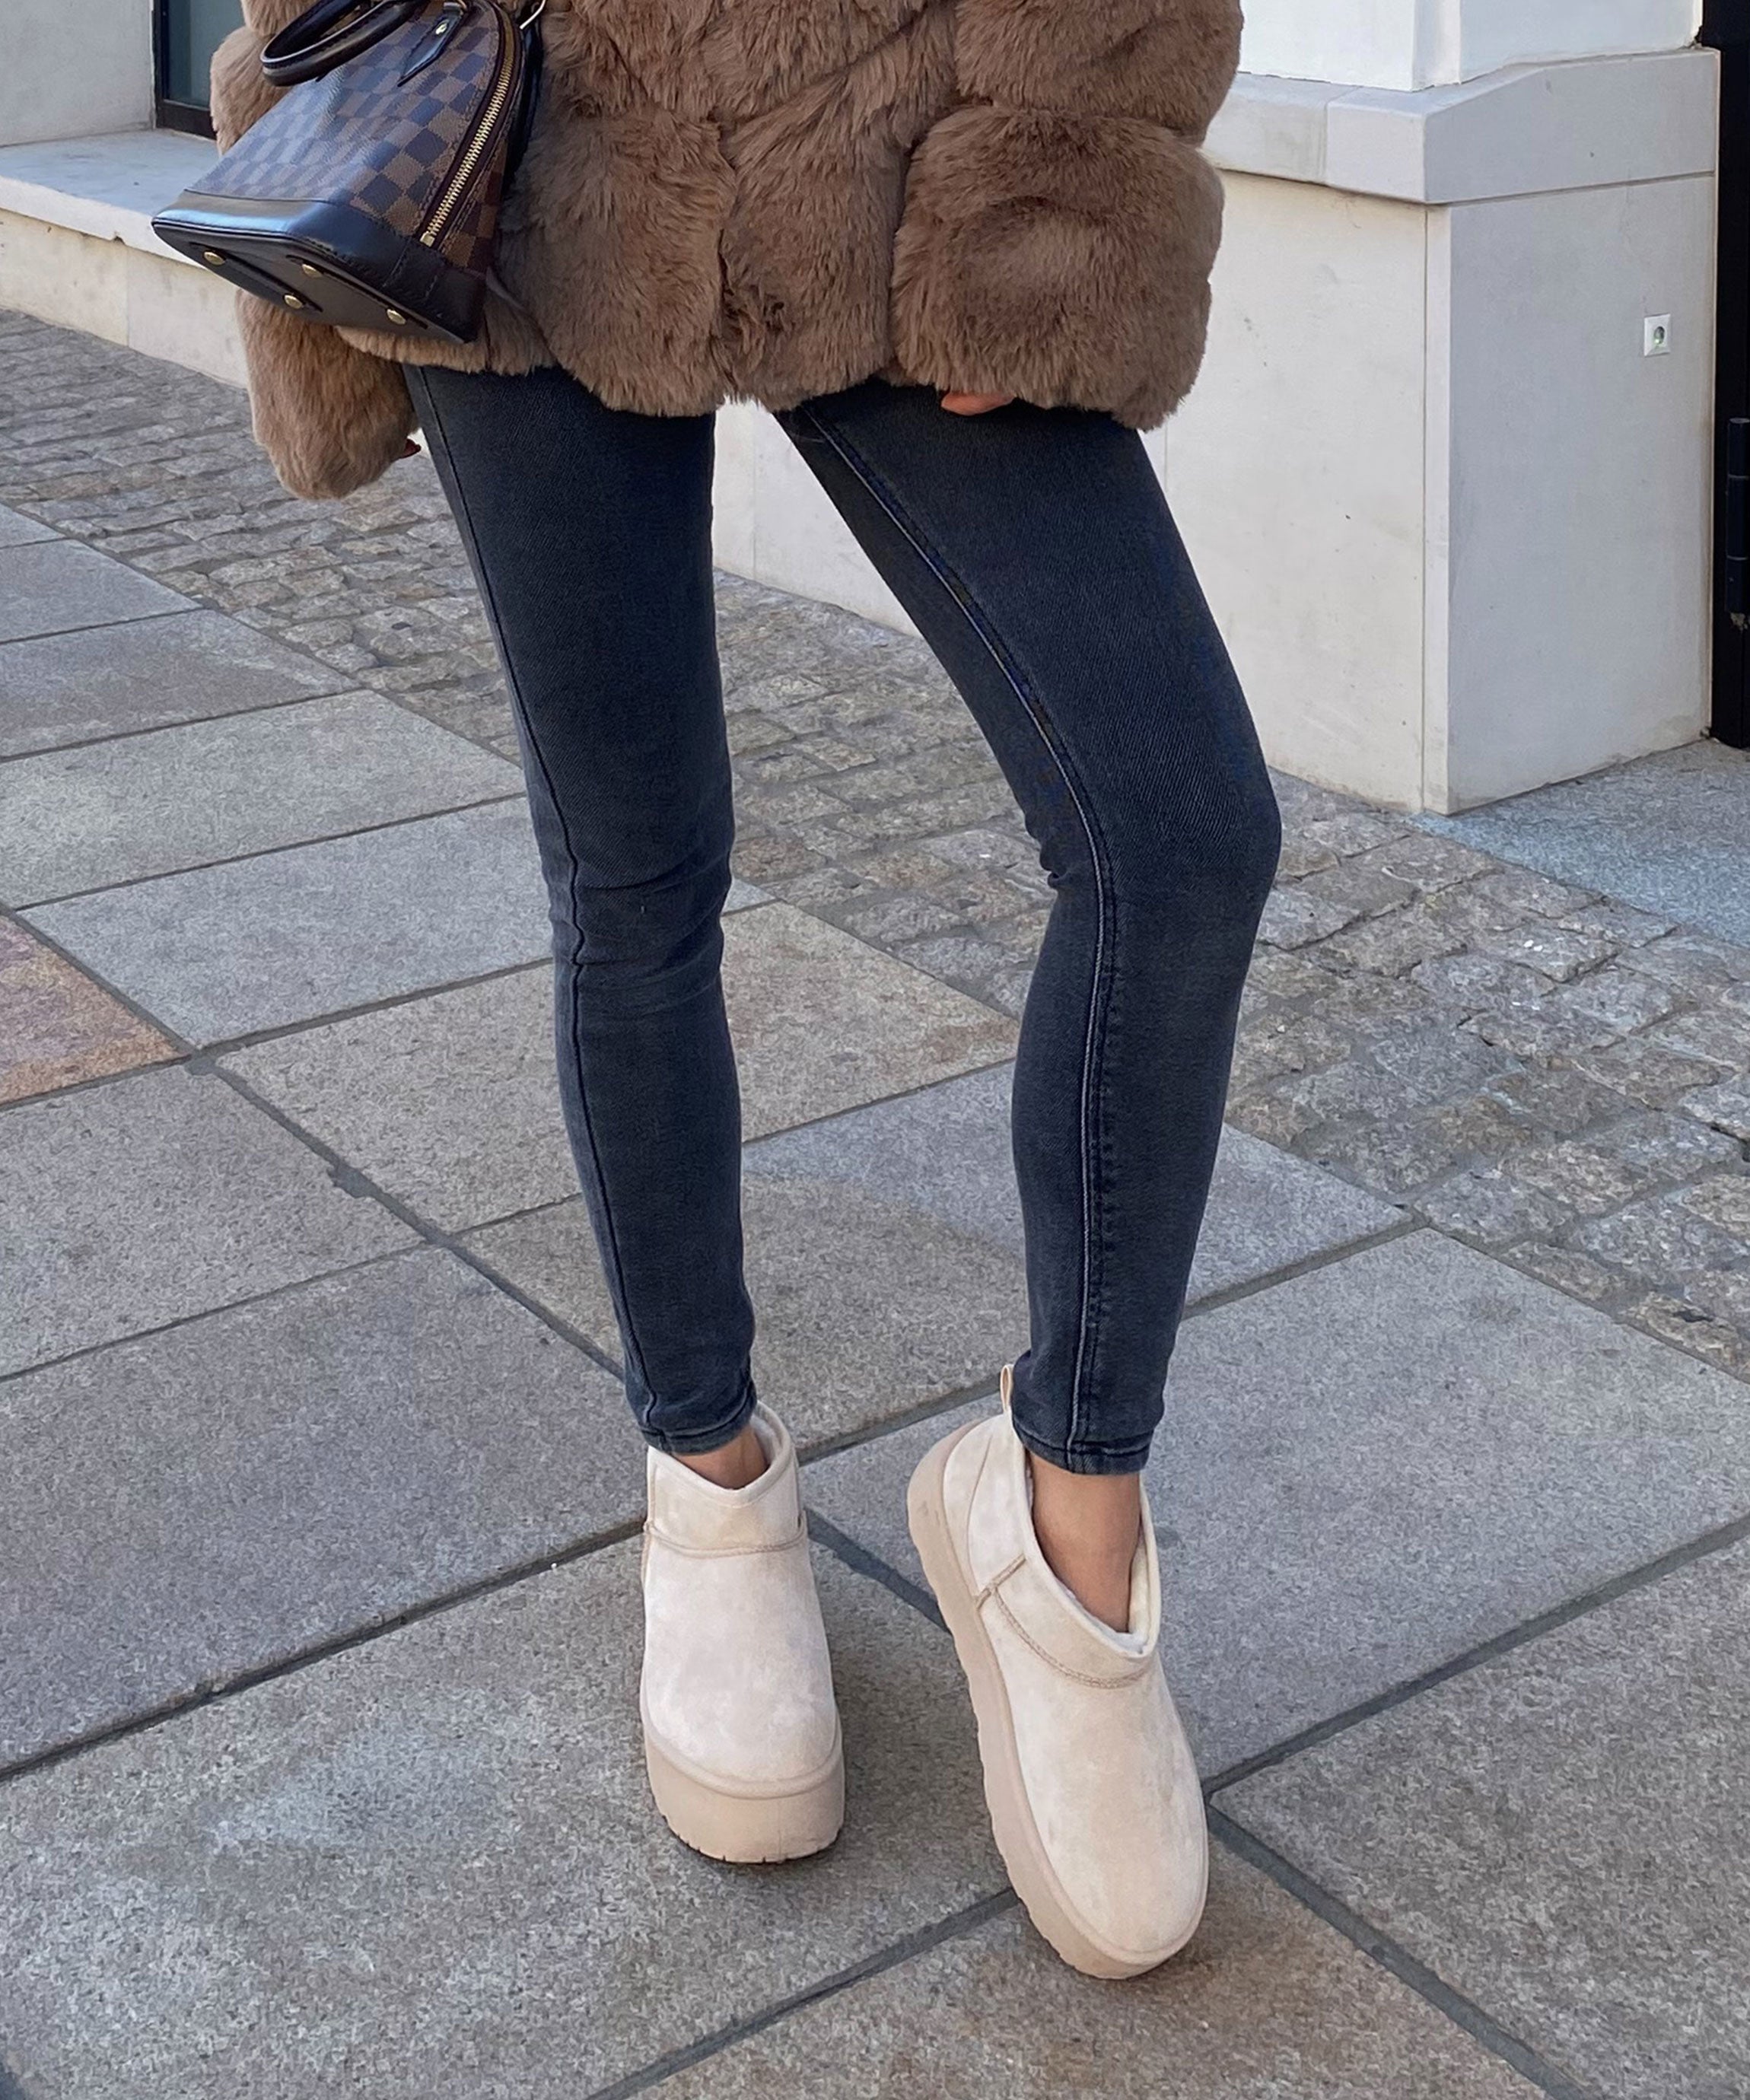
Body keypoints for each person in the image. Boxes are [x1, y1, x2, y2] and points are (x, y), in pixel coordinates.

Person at [212, 0, 1281, 1981]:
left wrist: (1040, 204)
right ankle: (707, 1481)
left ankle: (1065, 1528)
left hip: (896, 142)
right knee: (632, 876)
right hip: (516, 153)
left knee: (1178, 829)